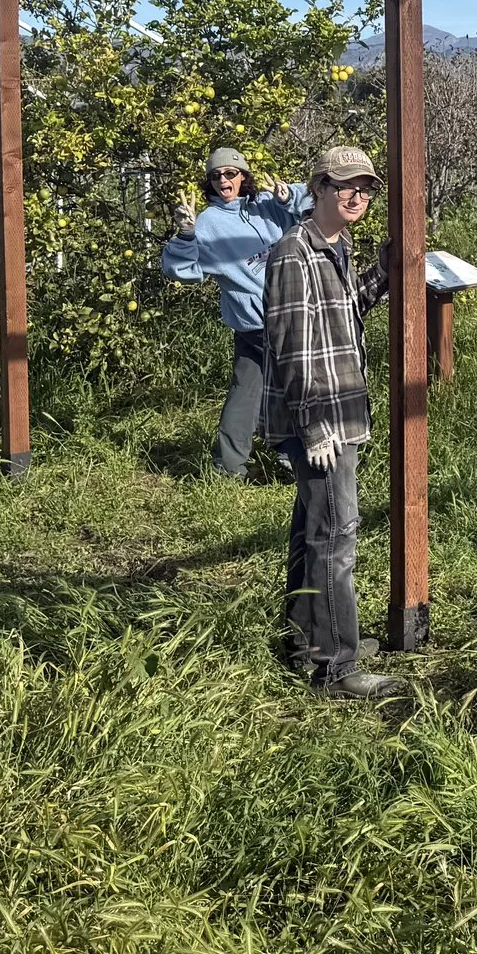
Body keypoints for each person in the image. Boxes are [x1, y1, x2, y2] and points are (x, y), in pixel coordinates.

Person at [261, 145, 399, 700]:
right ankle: (335, 669)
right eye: (345, 186)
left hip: (339, 412)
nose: (357, 195)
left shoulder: (335, 247)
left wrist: (382, 273)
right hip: (322, 420)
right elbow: (295, 349)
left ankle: (309, 641)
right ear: (317, 187)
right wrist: (317, 426)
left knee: (313, 529)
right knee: (336, 538)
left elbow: (344, 314)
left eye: (365, 187)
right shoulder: (294, 252)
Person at [160, 147, 311, 477]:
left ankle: (228, 468)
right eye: (215, 176)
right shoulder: (208, 223)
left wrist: (290, 199)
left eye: (230, 173)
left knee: (247, 391)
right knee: (293, 388)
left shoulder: (268, 205)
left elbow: (318, 209)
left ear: (244, 176)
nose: (223, 180)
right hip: (257, 323)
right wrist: (186, 235)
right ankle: (292, 458)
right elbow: (179, 270)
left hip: (293, 314)